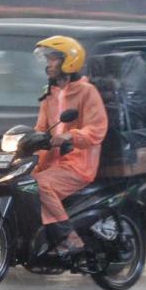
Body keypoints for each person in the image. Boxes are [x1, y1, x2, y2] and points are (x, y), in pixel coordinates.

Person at [31, 35, 108, 256]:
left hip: (78, 164)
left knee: (38, 185)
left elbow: (97, 128)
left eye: (54, 58)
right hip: (50, 164)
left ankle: (69, 237)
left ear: (69, 61)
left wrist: (70, 137)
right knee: (22, 184)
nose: (49, 64)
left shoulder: (87, 92)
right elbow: (40, 130)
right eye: (48, 59)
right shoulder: (49, 94)